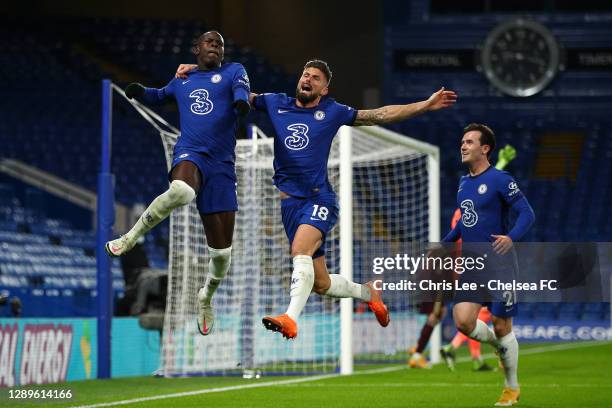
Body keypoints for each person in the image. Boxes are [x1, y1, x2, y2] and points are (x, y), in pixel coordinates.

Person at [179, 59, 457, 339]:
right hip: (289, 206)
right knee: (321, 284)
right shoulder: (275, 102)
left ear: (324, 89)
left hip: (318, 200)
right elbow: (228, 91)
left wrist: (425, 104)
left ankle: (290, 318)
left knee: (300, 250)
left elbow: (380, 114)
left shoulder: (333, 111)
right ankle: (368, 292)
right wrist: (202, 73)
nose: (307, 79)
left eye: (315, 78)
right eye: (305, 74)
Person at [105, 31, 251, 337]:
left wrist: (240, 104)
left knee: (222, 256)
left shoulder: (233, 70)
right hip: (191, 152)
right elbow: (159, 95)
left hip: (222, 167)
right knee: (182, 190)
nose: (215, 46)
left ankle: (205, 297)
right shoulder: (182, 81)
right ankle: (130, 237)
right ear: (196, 48)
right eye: (209, 42)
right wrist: (139, 91)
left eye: (220, 44)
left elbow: (240, 89)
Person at [442, 125, 534, 406]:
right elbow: (463, 225)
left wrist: (511, 237)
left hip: (499, 263)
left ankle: (511, 387)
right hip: (471, 264)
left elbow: (527, 214)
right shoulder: (463, 183)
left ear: (485, 149)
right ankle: (496, 344)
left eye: (469, 141)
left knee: (502, 324)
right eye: (461, 141)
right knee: (463, 322)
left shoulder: (500, 179)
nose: (463, 145)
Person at [440, 144, 517, 372]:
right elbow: (487, 196)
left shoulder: (465, 211)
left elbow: (487, 190)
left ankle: (470, 356)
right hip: (471, 267)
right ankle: (491, 349)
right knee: (476, 315)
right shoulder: (467, 215)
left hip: (469, 265)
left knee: (474, 317)